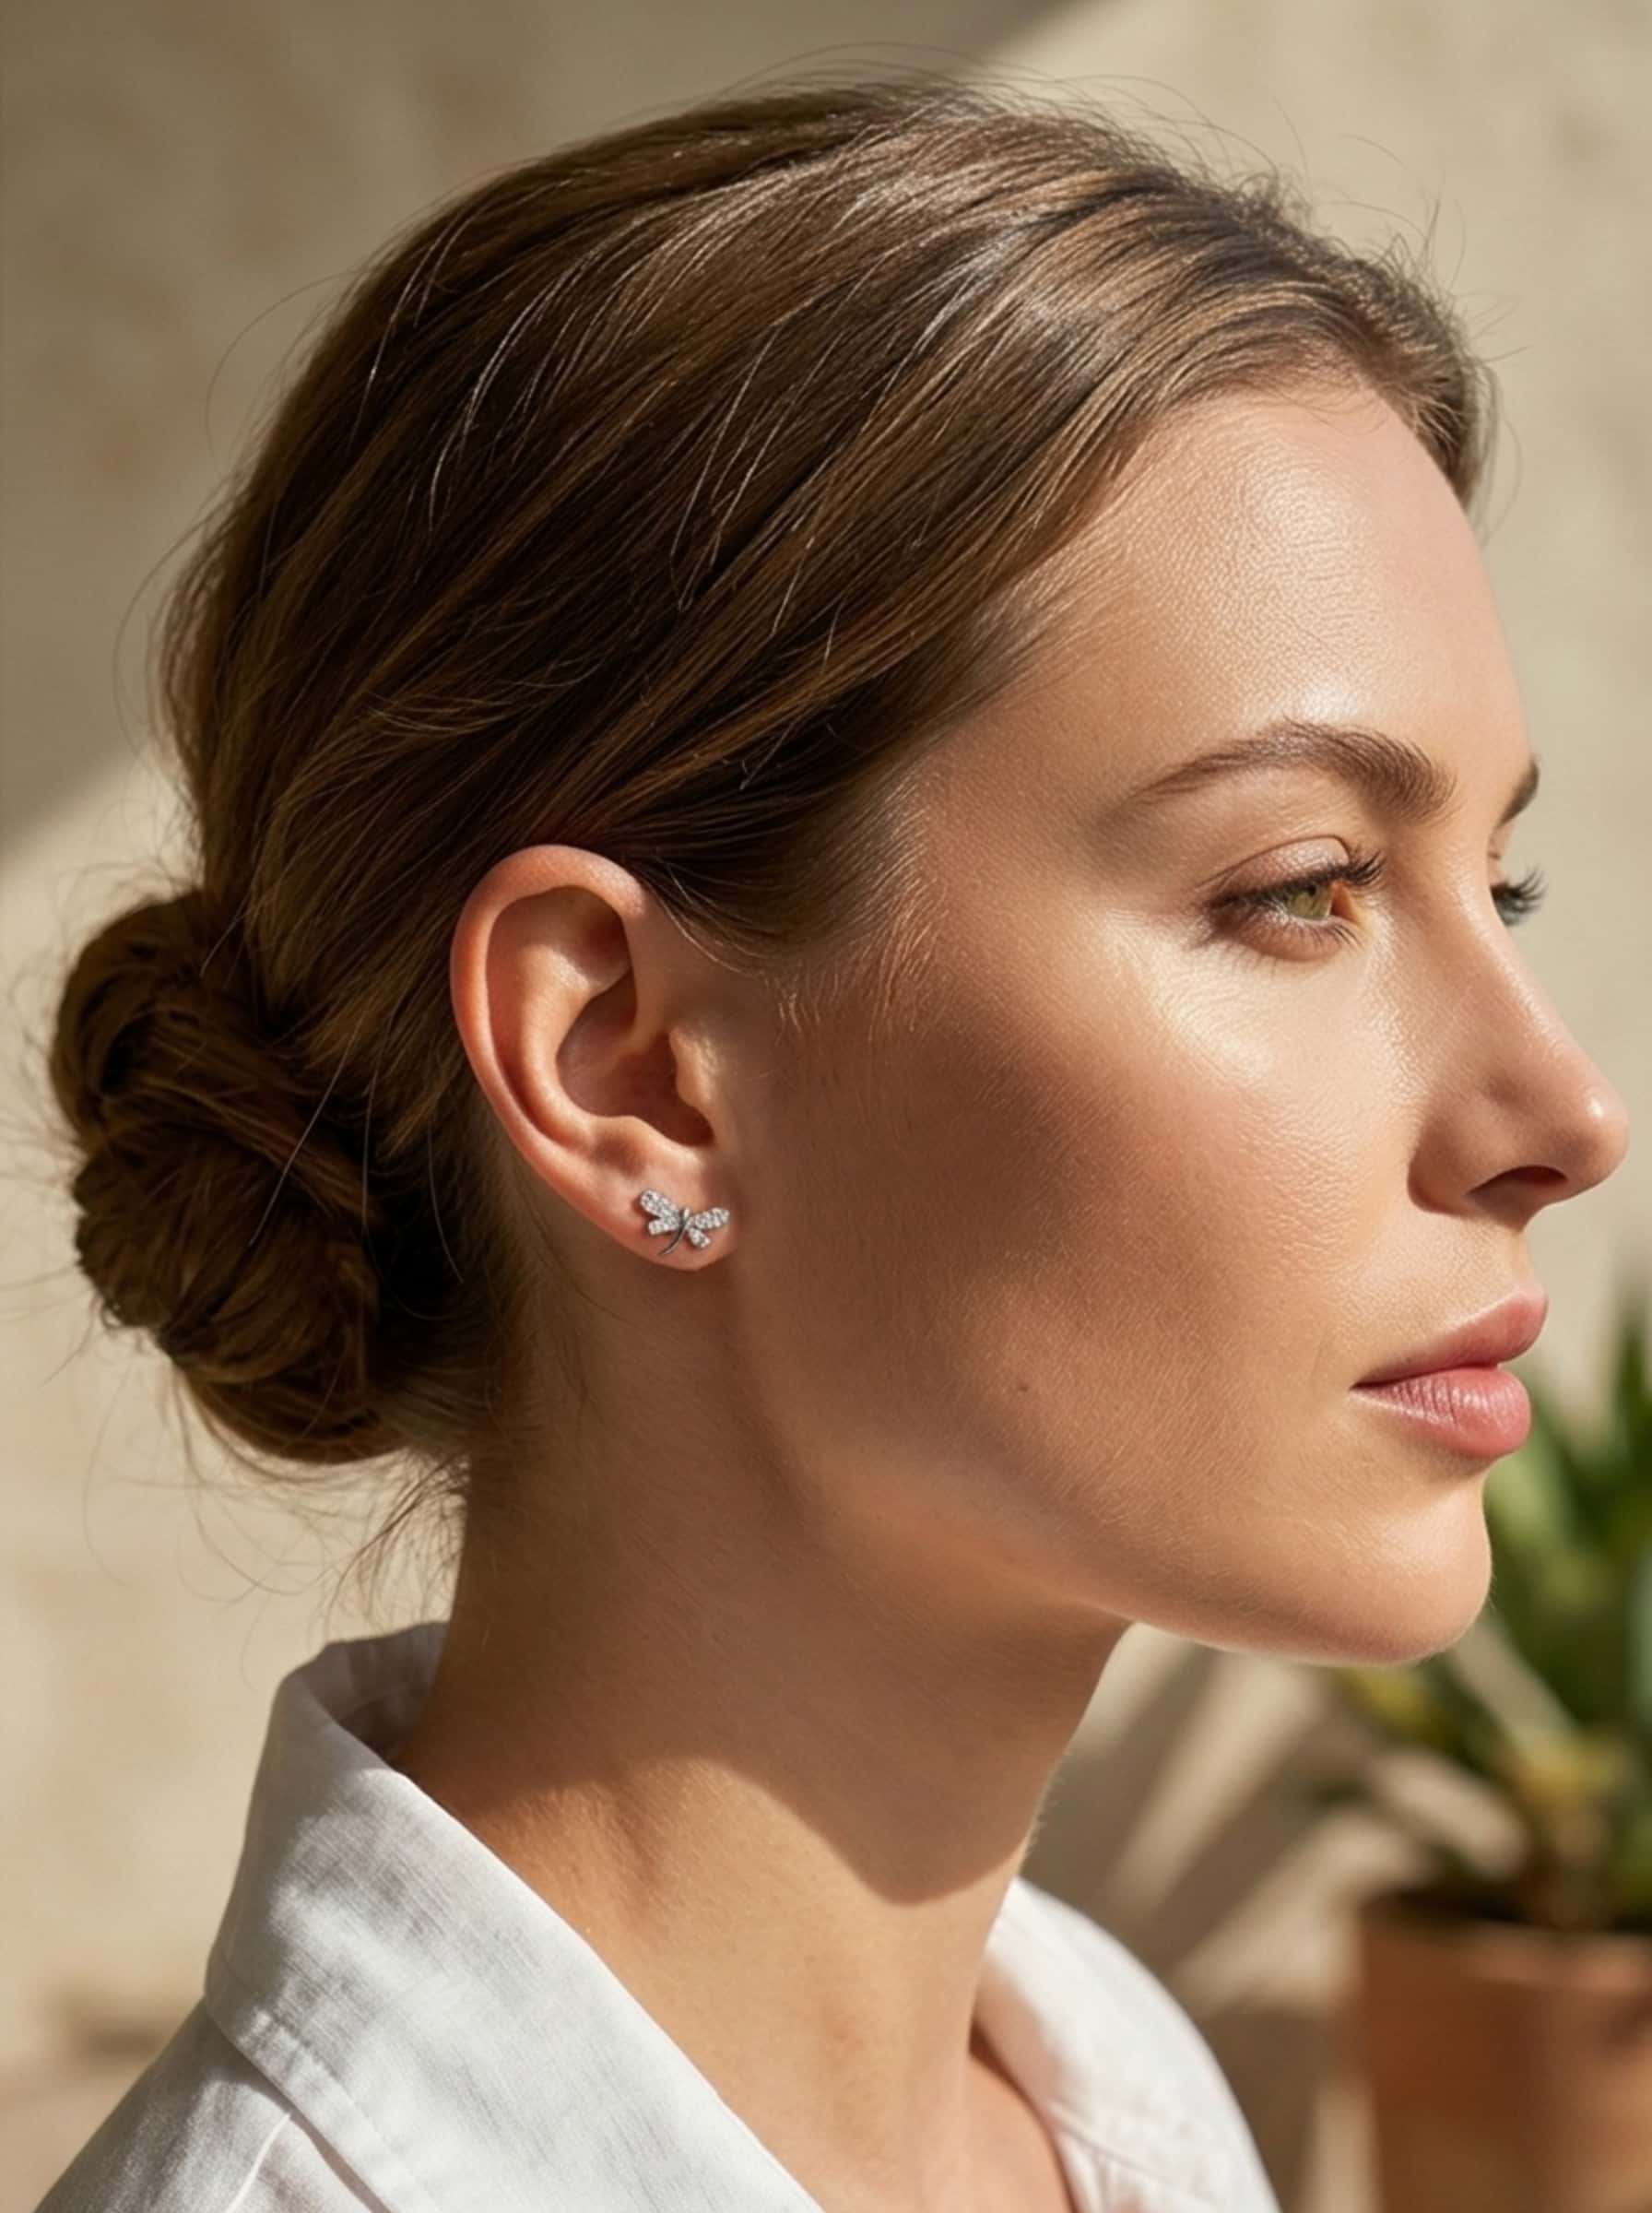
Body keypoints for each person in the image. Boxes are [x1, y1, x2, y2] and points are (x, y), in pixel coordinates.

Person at [38, 71, 1629, 2213]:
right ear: (629, 1063)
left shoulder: (1103, 2102)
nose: (1560, 1117)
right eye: (1298, 888)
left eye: (1492, 891)